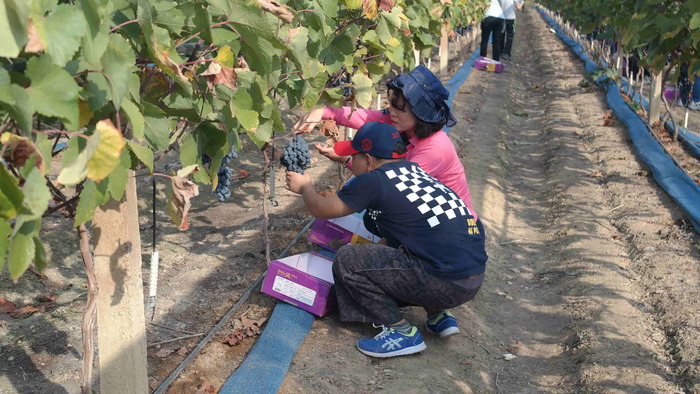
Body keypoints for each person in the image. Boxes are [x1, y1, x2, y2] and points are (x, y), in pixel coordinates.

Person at [285, 121, 487, 358]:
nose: (354, 161)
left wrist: (306, 188)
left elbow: (321, 209)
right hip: (471, 279)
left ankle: (401, 332)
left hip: (445, 282)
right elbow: (400, 241)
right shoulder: (414, 173)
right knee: (412, 251)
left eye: (355, 156)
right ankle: (437, 315)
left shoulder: (374, 180)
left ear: (368, 160)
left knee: (348, 259)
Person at [293, 65, 479, 221]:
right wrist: (324, 112)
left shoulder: (434, 149)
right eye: (391, 105)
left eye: (400, 109)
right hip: (423, 214)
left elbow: (389, 185)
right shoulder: (402, 121)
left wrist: (307, 189)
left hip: (452, 224)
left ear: (421, 113)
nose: (392, 113)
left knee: (374, 219)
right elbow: (364, 118)